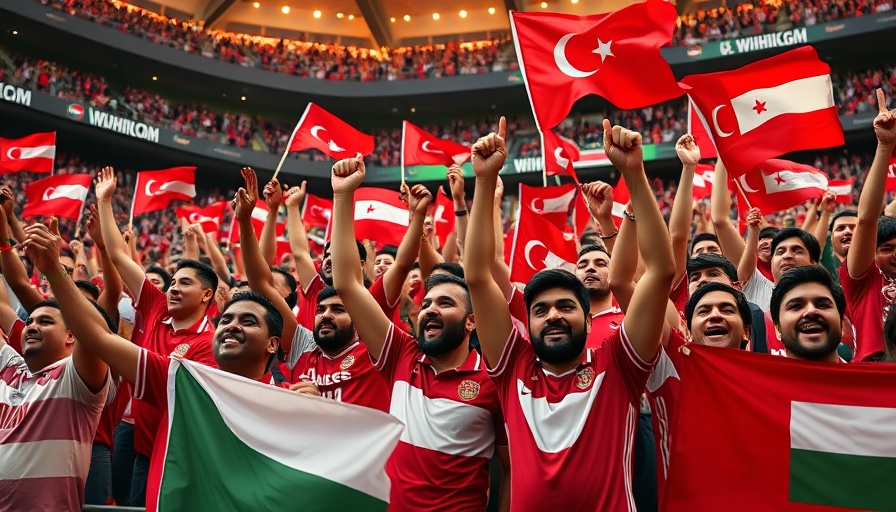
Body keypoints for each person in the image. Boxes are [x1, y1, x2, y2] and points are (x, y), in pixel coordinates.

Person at [465, 118, 675, 509]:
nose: (553, 316)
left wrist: (635, 173)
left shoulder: (619, 363)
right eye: (540, 310)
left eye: (565, 306)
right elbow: (477, 275)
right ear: (526, 324)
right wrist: (483, 182)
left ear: (588, 316)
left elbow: (661, 271)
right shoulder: (513, 366)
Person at [330, 156, 509, 511]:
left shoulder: (495, 379)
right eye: (426, 303)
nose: (430, 309)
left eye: (445, 303)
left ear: (471, 321)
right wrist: (343, 197)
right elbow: (347, 284)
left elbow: (510, 470)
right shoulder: (401, 354)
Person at [95, 166, 219, 506]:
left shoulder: (210, 346)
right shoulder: (156, 306)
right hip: (138, 446)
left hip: (178, 458)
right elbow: (120, 256)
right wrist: (105, 202)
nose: (174, 288)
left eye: (185, 283)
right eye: (174, 281)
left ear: (207, 296)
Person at [236, 168, 389, 411]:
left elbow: (354, 280)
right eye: (321, 309)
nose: (326, 315)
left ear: (360, 321)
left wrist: (342, 194)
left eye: (338, 309)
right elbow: (262, 284)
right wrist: (245, 221)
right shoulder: (304, 346)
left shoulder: (379, 351)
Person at [0, 224, 111, 511]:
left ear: (72, 335)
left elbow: (93, 332)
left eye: (46, 322)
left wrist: (53, 270)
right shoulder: (9, 365)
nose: (33, 326)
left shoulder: (75, 378)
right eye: (30, 322)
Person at [839, 88, 896, 362]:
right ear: (871, 254)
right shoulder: (863, 280)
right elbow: (866, 219)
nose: (895, 254)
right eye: (887, 248)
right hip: (873, 372)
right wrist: (885, 146)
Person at [769, 265, 846, 363]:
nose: (811, 311)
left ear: (842, 323)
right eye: (796, 307)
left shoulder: (867, 378)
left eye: (823, 305)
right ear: (777, 329)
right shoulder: (756, 378)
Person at [574, 244, 623, 348]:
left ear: (613, 274)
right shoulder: (559, 324)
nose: (590, 268)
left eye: (600, 264)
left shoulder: (629, 323)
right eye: (582, 266)